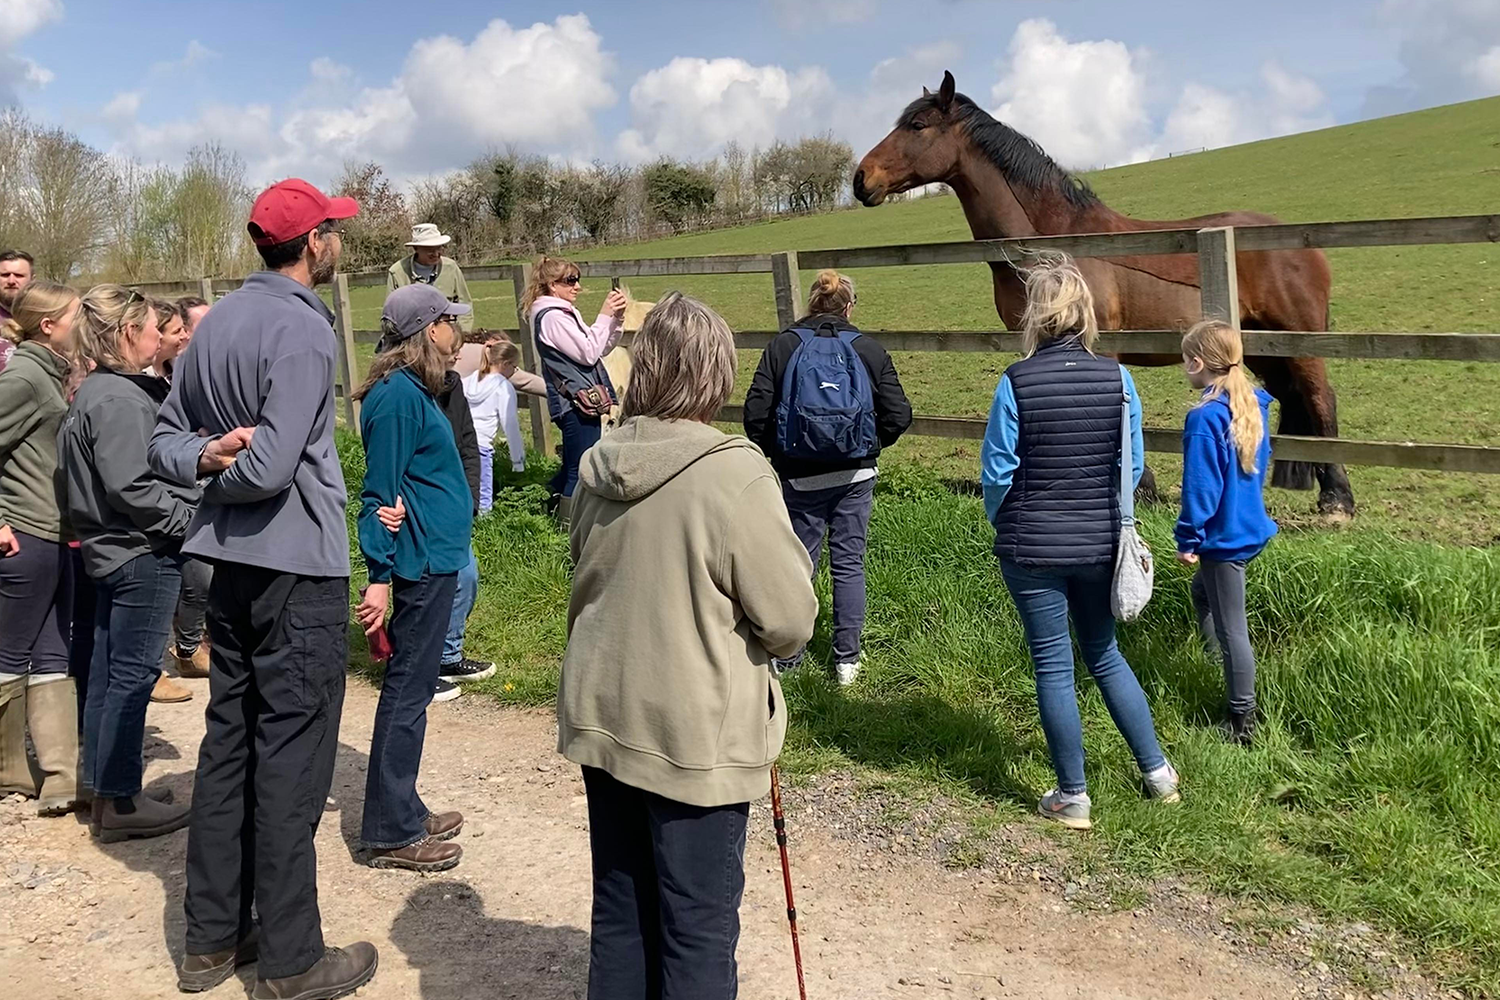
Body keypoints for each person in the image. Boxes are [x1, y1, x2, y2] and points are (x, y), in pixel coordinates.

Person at [150, 178, 378, 997]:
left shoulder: (215, 326)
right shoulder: (302, 329)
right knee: (292, 757)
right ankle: (291, 959)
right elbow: (275, 465)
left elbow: (165, 442)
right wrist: (229, 469)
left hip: (224, 565)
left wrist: (204, 461)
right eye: (334, 229)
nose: (338, 239)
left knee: (228, 744)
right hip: (297, 568)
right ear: (313, 241)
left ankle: (210, 941)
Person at [558, 292, 818, 999]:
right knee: (697, 929)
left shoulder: (598, 464)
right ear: (715, 373)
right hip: (691, 733)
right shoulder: (733, 473)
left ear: (643, 369)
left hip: (603, 715)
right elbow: (791, 621)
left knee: (620, 912)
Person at [980, 253, 1179, 831]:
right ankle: (1158, 772)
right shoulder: (1120, 380)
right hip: (1100, 546)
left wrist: (1006, 521)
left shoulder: (1015, 381)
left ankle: (1073, 796)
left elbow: (997, 473)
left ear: (1035, 317)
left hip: (1031, 546)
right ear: (1085, 314)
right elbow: (1134, 464)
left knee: (1052, 664)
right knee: (1105, 653)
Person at [59, 286, 196, 840]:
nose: (159, 336)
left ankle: (102, 787)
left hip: (112, 551)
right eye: (149, 327)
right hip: (139, 553)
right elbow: (133, 486)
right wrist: (188, 522)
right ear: (124, 334)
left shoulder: (97, 391)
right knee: (132, 678)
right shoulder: (117, 398)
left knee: (107, 673)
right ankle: (120, 804)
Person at [352, 283, 473, 872]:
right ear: (430, 330)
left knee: (415, 689)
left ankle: (402, 806)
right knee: (407, 691)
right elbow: (379, 493)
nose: (459, 331)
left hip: (435, 557)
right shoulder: (399, 398)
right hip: (420, 563)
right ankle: (391, 831)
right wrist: (378, 572)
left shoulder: (413, 392)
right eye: (452, 321)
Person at [742, 269, 912, 685]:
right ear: (849, 307)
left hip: (798, 477)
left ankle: (790, 656)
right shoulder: (868, 349)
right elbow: (900, 415)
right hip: (856, 475)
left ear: (812, 303)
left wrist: (782, 454)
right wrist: (867, 447)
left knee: (800, 564)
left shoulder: (782, 346)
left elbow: (754, 416)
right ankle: (847, 662)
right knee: (849, 564)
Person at [1174, 320, 1278, 746]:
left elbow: (1201, 488)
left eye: (1184, 359)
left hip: (1223, 539)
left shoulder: (1204, 419)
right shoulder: (1251, 403)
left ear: (1198, 362)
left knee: (1234, 629)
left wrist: (1188, 538)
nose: (1182, 366)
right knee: (1204, 596)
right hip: (1251, 527)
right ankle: (1222, 664)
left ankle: (1241, 720)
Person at [0, 281, 81, 816]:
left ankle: (59, 776)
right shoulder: (24, 376)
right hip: (25, 534)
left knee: (53, 650)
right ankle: (8, 769)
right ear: (48, 325)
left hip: (55, 533)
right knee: (9, 651)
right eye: (77, 315)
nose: (83, 323)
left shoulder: (49, 371)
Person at [522, 256, 626, 511]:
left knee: (572, 463)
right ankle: (566, 530)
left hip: (577, 399)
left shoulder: (560, 313)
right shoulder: (552, 318)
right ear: (551, 285)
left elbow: (599, 348)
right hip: (574, 401)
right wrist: (604, 315)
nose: (577, 286)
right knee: (580, 469)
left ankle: (544, 510)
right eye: (570, 281)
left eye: (577, 280)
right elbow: (589, 352)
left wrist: (617, 320)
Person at [135, 299, 198, 705]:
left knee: (192, 580)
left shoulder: (175, 374)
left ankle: (186, 649)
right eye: (175, 330)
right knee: (157, 591)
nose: (184, 337)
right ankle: (149, 668)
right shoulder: (136, 386)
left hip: (184, 487)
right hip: (160, 498)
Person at [432, 328, 493, 696]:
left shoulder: (452, 386)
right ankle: (415, 667)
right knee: (426, 587)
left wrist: (470, 498)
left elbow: (468, 444)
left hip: (455, 503)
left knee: (465, 578)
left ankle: (447, 656)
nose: (459, 356)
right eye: (454, 350)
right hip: (422, 504)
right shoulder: (403, 390)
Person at [165, 294, 214, 689]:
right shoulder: (160, 374)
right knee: (199, 569)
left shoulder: (202, 367)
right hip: (175, 480)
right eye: (192, 327)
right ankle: (186, 647)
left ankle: (199, 639)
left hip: (201, 471)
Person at [463, 338, 526, 512]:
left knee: (462, 490)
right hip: (482, 446)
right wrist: (517, 460)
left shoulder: (467, 381)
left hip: (460, 443)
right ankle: (485, 531)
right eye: (514, 366)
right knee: (483, 494)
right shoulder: (504, 387)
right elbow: (510, 423)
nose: (515, 371)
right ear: (505, 364)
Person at [387, 223, 474, 335]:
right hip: (413, 338)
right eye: (429, 249)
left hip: (446, 336)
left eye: (439, 247)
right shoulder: (398, 272)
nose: (436, 253)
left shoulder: (451, 268)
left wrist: (461, 336)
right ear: (416, 248)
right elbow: (391, 315)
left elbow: (465, 304)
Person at [0, 249, 35, 373]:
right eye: (5, 275)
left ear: (32, 279)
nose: (11, 281)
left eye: (19, 275)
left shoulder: (44, 317)